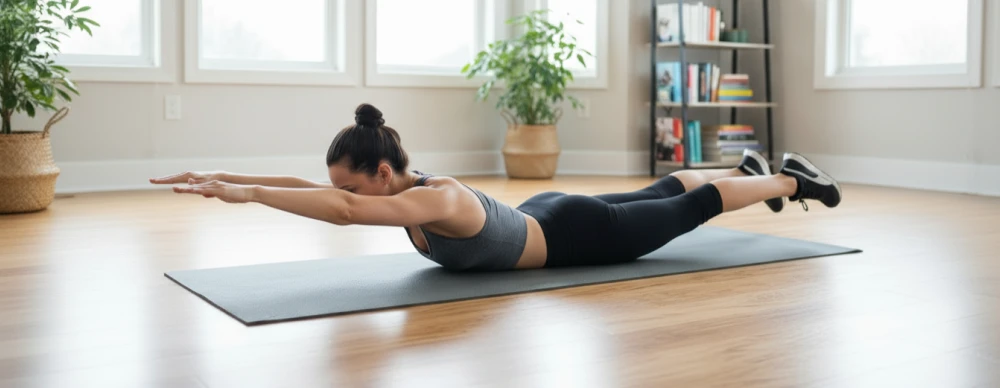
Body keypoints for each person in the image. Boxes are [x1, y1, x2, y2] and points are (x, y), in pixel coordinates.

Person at [150, 103, 841, 272]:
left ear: (381, 175)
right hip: (541, 214)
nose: (348, 196)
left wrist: (244, 198)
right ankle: (746, 172)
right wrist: (223, 180)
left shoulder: (433, 199)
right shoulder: (407, 190)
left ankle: (789, 177)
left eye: (354, 186)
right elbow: (317, 189)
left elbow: (336, 211)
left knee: (689, 209)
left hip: (572, 236)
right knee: (657, 189)